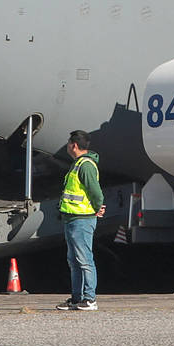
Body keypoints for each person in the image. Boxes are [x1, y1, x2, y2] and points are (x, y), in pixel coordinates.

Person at [56, 130, 104, 311]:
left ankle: (90, 299)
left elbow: (96, 192)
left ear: (74, 145)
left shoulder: (85, 165)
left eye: (69, 143)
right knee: (74, 260)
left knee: (84, 260)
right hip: (72, 218)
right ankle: (77, 298)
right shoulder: (77, 164)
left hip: (82, 220)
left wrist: (97, 207)